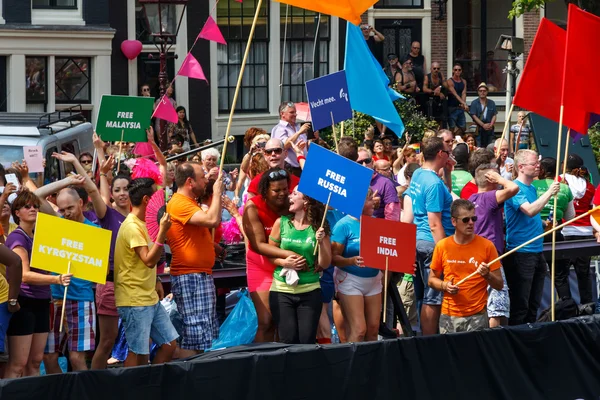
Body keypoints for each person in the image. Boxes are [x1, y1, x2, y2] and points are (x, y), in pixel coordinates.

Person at [4, 191, 72, 378]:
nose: (33, 209)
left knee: (35, 361)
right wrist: (56, 279)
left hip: (42, 301)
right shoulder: (17, 238)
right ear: (17, 213)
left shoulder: (39, 236)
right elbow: (24, 275)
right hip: (23, 302)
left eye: (35, 206)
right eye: (27, 206)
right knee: (18, 364)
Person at [33, 182, 99, 373]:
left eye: (70, 207)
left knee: (77, 358)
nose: (66, 213)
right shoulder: (58, 224)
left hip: (81, 300)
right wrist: (67, 182)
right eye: (62, 209)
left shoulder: (93, 231)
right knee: (49, 356)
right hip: (54, 298)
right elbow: (36, 196)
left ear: (81, 203)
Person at [114, 178, 178, 367]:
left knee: (169, 345)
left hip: (149, 297)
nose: (162, 200)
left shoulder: (144, 223)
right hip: (134, 300)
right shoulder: (132, 226)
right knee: (139, 354)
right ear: (146, 200)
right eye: (156, 195)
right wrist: (162, 231)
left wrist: (157, 279)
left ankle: (150, 384)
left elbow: (146, 263)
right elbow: (149, 260)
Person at [166, 162, 223, 356]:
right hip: (191, 278)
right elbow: (212, 220)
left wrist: (214, 247)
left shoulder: (189, 202)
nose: (206, 181)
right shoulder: (180, 203)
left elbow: (191, 234)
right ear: (190, 182)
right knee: (195, 339)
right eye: (203, 177)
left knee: (203, 336)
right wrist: (217, 192)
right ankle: (187, 376)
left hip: (198, 276)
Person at [428, 199, 503, 333]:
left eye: (473, 218)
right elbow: (431, 280)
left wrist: (487, 275)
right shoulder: (442, 246)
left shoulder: (487, 246)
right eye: (465, 220)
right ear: (453, 221)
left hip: (477, 316)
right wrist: (445, 286)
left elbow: (499, 284)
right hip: (449, 316)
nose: (471, 223)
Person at [242, 169, 300, 342]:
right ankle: (260, 364)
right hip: (261, 266)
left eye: (285, 189)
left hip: (289, 266)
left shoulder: (293, 204)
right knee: (267, 321)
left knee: (286, 323)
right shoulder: (252, 206)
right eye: (276, 190)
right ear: (265, 191)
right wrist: (287, 254)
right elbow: (258, 245)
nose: (282, 194)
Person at [504, 150, 560, 325]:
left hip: (536, 250)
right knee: (521, 305)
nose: (538, 166)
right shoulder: (514, 188)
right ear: (520, 167)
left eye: (538, 163)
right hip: (521, 251)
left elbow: (532, 215)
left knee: (533, 304)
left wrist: (545, 223)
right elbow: (529, 210)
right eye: (534, 163)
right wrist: (550, 192)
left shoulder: (532, 187)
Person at [268, 189, 331, 344]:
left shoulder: (320, 227)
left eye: (295, 194)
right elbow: (270, 254)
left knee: (306, 341)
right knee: (287, 340)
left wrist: (322, 242)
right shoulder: (281, 222)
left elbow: (324, 264)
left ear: (306, 201)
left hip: (310, 290)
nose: (289, 196)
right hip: (281, 290)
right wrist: (285, 262)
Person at [408, 137, 454, 335]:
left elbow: (445, 195)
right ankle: (429, 343)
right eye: (447, 152)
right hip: (431, 243)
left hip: (417, 240)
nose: (450, 155)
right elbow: (435, 223)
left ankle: (423, 339)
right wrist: (445, 251)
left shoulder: (418, 173)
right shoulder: (434, 183)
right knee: (433, 297)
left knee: (423, 295)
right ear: (440, 154)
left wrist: (449, 173)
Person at [469, 164, 519, 327]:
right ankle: (495, 344)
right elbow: (513, 188)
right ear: (491, 179)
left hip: (475, 254)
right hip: (490, 257)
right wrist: (500, 179)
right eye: (496, 178)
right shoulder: (489, 197)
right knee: (497, 306)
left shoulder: (471, 199)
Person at [332, 189, 382, 342]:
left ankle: (370, 365)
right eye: (369, 200)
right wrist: (351, 261)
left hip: (374, 280)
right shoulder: (343, 225)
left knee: (373, 329)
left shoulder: (375, 222)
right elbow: (333, 258)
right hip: (350, 279)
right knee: (359, 330)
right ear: (358, 203)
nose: (374, 202)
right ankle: (352, 365)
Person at [560, 154, 595, 304]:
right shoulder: (590, 186)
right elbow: (591, 208)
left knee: (561, 274)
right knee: (584, 273)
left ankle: (566, 307)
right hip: (586, 233)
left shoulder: (560, 181)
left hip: (566, 231)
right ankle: (587, 306)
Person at [271, 102, 311, 176]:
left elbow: (306, 147)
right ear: (282, 114)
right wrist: (299, 133)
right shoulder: (279, 129)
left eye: (295, 112)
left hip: (303, 167)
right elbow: (283, 146)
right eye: (292, 112)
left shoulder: (297, 127)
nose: (295, 115)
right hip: (290, 170)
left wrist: (312, 139)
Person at [469, 82, 497, 148]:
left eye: (484, 91)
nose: (482, 92)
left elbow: (494, 115)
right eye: (480, 91)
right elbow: (474, 116)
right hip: (478, 129)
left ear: (487, 92)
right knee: (479, 147)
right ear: (478, 92)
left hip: (489, 129)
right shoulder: (474, 103)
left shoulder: (491, 102)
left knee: (489, 147)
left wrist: (491, 125)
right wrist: (483, 125)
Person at [446, 63, 469, 135]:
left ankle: (457, 138)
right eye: (456, 70)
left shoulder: (464, 81)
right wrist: (464, 103)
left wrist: (463, 104)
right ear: (453, 71)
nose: (457, 71)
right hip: (452, 108)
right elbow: (455, 94)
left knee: (463, 127)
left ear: (461, 71)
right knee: (452, 127)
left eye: (459, 70)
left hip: (460, 107)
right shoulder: (450, 81)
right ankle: (451, 141)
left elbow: (464, 93)